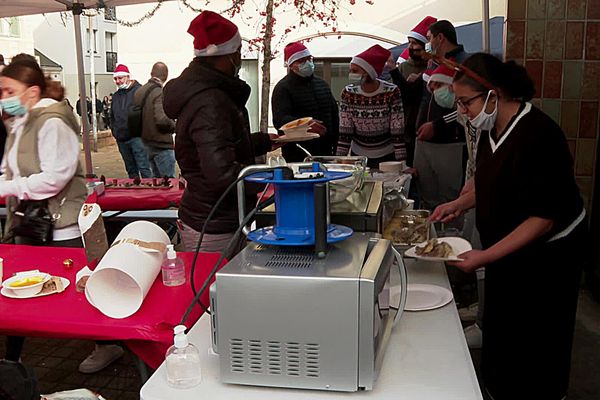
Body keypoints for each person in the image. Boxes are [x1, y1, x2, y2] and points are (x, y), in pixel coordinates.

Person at [431, 53, 586, 400]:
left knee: (538, 333)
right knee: (503, 324)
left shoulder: (539, 135)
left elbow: (542, 218)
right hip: (508, 244)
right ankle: (498, 388)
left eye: (466, 102)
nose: (463, 110)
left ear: (493, 93)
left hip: (550, 253)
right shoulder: (490, 130)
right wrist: (458, 204)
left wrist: (484, 256)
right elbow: (490, 181)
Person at [0, 59, 124, 374]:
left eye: (8, 91)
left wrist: (9, 187)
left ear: (31, 91)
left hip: (62, 223)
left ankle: (106, 344)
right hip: (29, 219)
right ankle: (12, 358)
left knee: (78, 287)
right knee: (20, 285)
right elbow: (10, 166)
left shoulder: (53, 122)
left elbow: (55, 178)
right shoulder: (20, 122)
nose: (3, 98)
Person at [163, 11, 277, 254]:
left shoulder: (210, 93)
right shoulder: (210, 102)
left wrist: (265, 141)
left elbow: (223, 145)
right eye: (238, 51)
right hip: (213, 222)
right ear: (225, 56)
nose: (240, 56)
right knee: (214, 291)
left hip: (216, 215)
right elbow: (220, 172)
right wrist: (273, 177)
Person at [336, 44, 406, 169]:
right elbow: (345, 130)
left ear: (368, 72)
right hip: (358, 156)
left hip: (387, 156)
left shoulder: (391, 92)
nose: (351, 74)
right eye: (351, 71)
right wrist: (339, 160)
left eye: (355, 71)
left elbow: (397, 129)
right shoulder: (348, 93)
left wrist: (402, 163)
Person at [272, 42, 338, 162]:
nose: (307, 63)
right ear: (291, 65)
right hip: (298, 153)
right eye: (301, 61)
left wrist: (336, 146)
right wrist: (305, 124)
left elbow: (334, 115)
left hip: (326, 152)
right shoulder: (283, 88)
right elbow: (280, 120)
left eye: (309, 59)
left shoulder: (322, 84)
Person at [413, 63, 465, 210]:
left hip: (450, 147)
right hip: (424, 145)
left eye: (439, 85)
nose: (436, 90)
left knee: (449, 196)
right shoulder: (430, 96)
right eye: (433, 86)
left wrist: (437, 125)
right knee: (427, 195)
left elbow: (461, 114)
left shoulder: (465, 104)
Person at [387, 16, 436, 166]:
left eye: (415, 43)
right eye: (409, 43)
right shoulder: (403, 67)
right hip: (406, 128)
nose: (411, 47)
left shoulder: (434, 67)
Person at [110, 64, 152, 179]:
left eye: (120, 78)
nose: (118, 81)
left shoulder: (139, 92)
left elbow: (147, 113)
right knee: (131, 170)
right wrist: (115, 131)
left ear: (128, 77)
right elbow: (112, 116)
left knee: (144, 168)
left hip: (137, 138)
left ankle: (149, 193)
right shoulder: (116, 96)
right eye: (116, 79)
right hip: (121, 138)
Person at [135, 62, 177, 178]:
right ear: (166, 76)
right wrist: (175, 125)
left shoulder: (139, 91)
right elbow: (161, 119)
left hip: (146, 142)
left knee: (156, 184)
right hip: (161, 144)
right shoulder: (159, 92)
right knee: (168, 183)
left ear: (151, 73)